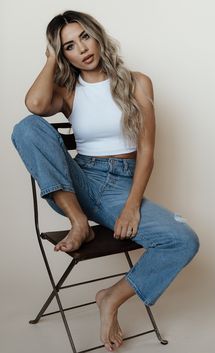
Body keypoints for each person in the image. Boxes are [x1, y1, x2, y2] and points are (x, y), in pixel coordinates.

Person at [11, 10, 199, 352]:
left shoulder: (139, 82)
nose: (81, 49)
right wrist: (51, 59)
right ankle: (78, 221)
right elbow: (34, 104)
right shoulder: (68, 91)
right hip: (78, 182)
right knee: (26, 126)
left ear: (97, 36)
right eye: (68, 46)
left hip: (121, 189)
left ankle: (111, 298)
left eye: (84, 37)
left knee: (184, 239)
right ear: (62, 54)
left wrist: (132, 206)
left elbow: (146, 150)